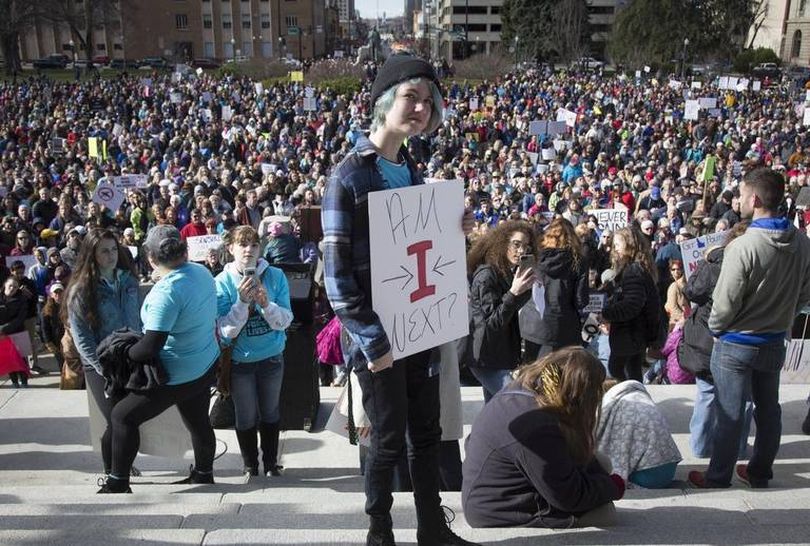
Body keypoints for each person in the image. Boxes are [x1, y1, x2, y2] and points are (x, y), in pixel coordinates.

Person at [321, 54, 477, 545]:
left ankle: (432, 527)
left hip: (420, 330)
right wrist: (373, 341)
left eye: (429, 101)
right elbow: (337, 277)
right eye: (412, 97)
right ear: (385, 102)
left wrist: (456, 231)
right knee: (387, 440)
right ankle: (379, 532)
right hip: (380, 340)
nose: (421, 108)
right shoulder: (347, 176)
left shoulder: (412, 172)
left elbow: (421, 256)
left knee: (427, 435)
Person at [689, 168, 810, 489]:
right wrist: (784, 315)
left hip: (735, 343)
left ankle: (718, 477)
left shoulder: (741, 247)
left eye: (741, 195)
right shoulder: (801, 242)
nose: (737, 200)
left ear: (755, 199)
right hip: (773, 340)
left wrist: (716, 330)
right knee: (769, 410)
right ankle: (759, 472)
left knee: (730, 414)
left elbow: (724, 302)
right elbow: (806, 292)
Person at [97, 225, 220, 494]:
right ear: (184, 250)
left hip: (175, 373)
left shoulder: (165, 293)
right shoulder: (202, 272)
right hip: (205, 363)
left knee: (122, 416)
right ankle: (203, 473)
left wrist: (122, 351)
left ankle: (118, 482)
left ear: (151, 258)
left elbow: (150, 347)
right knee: (198, 420)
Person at [462, 347, 625, 528]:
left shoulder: (522, 390)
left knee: (602, 464)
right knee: (605, 514)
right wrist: (612, 486)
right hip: (497, 508)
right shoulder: (538, 425)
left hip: (491, 494)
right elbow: (568, 496)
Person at [215, 225, 293, 477]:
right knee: (245, 416)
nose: (248, 250)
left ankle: (271, 464)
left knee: (270, 412)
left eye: (253, 245)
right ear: (231, 249)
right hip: (240, 362)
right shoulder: (222, 282)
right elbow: (226, 331)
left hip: (271, 357)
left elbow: (284, 321)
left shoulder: (276, 276)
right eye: (242, 244)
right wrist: (242, 302)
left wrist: (265, 303)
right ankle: (250, 465)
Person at [64, 228, 141, 477]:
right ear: (92, 255)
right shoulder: (82, 290)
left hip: (131, 357)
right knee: (114, 419)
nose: (111, 255)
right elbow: (82, 337)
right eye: (104, 251)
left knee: (128, 418)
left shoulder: (128, 279)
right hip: (100, 364)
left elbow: (140, 316)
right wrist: (102, 369)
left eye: (113, 249)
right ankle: (113, 471)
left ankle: (123, 464)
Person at [468, 220, 536, 401]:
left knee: (494, 410)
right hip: (485, 357)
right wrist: (514, 291)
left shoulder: (505, 272)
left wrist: (526, 286)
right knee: (516, 402)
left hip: (498, 355)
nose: (521, 251)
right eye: (516, 244)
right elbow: (491, 323)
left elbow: (511, 308)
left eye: (525, 246)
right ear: (502, 243)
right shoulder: (486, 275)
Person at [520, 218, 589, 361]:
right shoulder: (578, 261)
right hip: (563, 325)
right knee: (559, 374)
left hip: (533, 322)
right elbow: (581, 300)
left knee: (531, 372)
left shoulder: (534, 258)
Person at [596, 380, 682, 488]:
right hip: (668, 469)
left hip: (648, 477)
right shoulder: (638, 396)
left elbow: (616, 453)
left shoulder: (619, 407)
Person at [601, 227, 660, 382]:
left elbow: (632, 305)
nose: (615, 249)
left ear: (629, 245)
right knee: (632, 373)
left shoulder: (633, 271)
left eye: (618, 245)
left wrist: (606, 313)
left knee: (616, 371)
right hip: (633, 334)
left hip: (630, 334)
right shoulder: (634, 269)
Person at [0, 276, 30, 387]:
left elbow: (20, 318)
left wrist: (3, 328)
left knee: (21, 359)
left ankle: (24, 382)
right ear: (5, 285)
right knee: (9, 359)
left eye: (15, 287)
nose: (12, 288)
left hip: (18, 332)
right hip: (3, 335)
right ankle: (14, 382)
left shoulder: (22, 299)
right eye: (10, 285)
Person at [664, 259, 688, 327]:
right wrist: (686, 320)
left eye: (678, 269)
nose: (676, 271)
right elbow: (673, 308)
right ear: (670, 271)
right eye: (673, 269)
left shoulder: (685, 283)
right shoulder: (673, 286)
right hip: (678, 323)